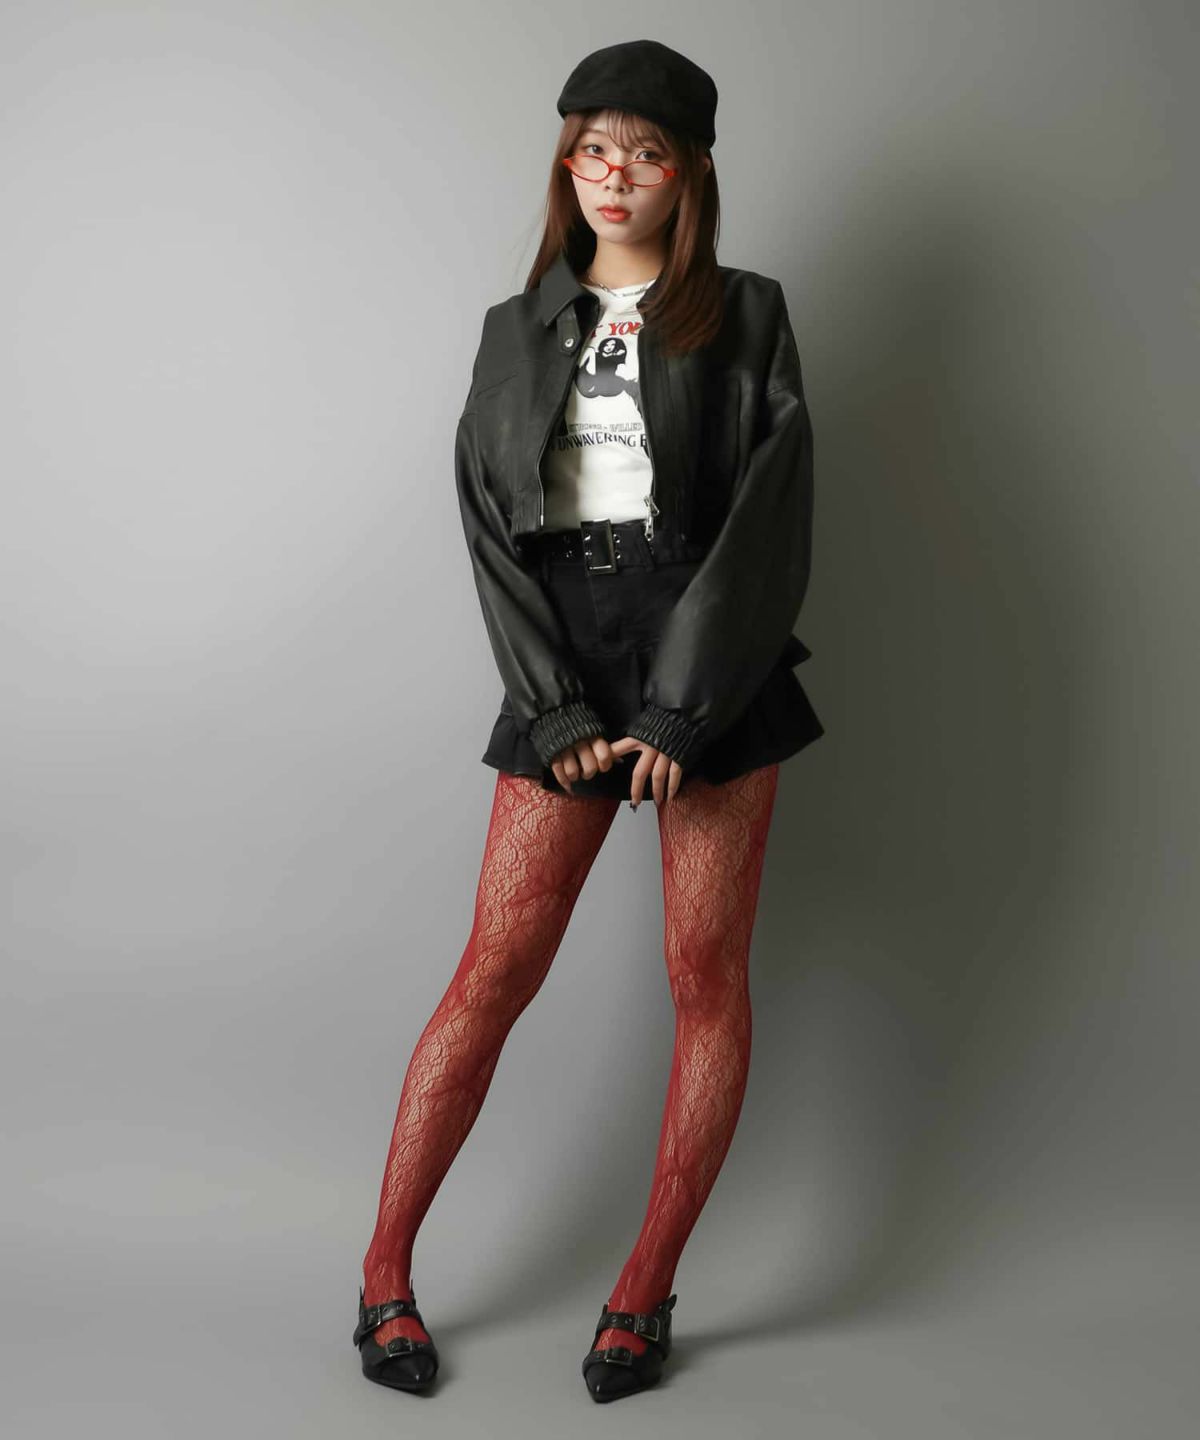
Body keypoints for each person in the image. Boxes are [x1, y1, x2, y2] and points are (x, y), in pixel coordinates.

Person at [353, 38, 825, 1404]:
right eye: (593, 150)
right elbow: (488, 527)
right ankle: (383, 1273)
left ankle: (644, 1289)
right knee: (493, 973)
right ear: (567, 165)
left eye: (647, 153)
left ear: (692, 176)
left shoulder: (748, 314)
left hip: (708, 655)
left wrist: (686, 709)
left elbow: (770, 519)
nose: (615, 175)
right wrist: (553, 703)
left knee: (704, 975)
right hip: (562, 658)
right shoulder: (513, 332)